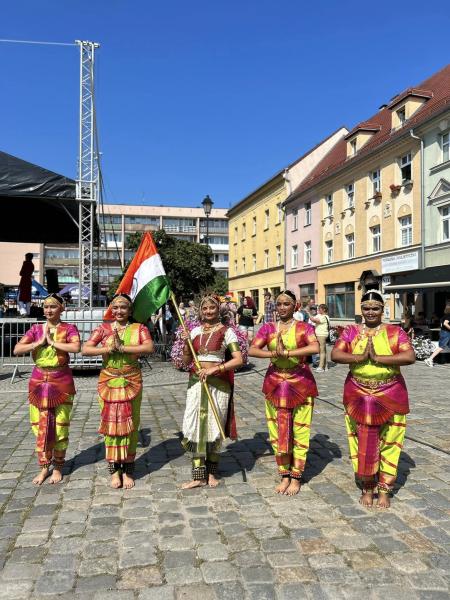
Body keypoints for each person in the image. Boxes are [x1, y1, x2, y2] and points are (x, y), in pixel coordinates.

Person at [331, 291, 415, 509]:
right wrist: (360, 357)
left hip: (390, 393)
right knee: (362, 443)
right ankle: (367, 487)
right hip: (357, 393)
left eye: (375, 308)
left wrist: (379, 358)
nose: (370, 312)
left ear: (382, 309)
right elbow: (336, 355)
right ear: (361, 309)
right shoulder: (351, 331)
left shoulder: (394, 332)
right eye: (366, 308)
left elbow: (409, 356)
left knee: (391, 442)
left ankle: (385, 490)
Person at [248, 290, 319, 496]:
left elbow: (315, 348)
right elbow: (253, 350)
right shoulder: (268, 328)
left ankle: (296, 476)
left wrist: (288, 353)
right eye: (279, 304)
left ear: (295, 306)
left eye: (286, 304)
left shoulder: (304, 327)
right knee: (278, 431)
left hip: (301, 383)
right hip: (275, 383)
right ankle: (284, 474)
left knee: (300, 430)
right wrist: (273, 354)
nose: (282, 308)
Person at [82, 293, 153, 489]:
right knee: (110, 427)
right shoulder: (103, 329)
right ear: (111, 309)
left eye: (123, 307)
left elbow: (148, 347)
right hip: (108, 381)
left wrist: (123, 348)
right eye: (116, 307)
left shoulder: (139, 328)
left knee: (131, 424)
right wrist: (107, 349)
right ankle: (114, 471)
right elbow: (86, 349)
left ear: (130, 310)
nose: (119, 311)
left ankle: (128, 469)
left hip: (131, 380)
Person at [13, 293, 80, 485]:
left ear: (62, 309)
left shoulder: (69, 328)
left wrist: (52, 343)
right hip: (38, 382)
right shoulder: (35, 329)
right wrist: (38, 343)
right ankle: (43, 468)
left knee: (60, 426)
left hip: (61, 382)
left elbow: (76, 347)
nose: (49, 310)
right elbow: (17, 349)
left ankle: (58, 467)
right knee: (40, 426)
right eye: (46, 307)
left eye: (53, 306)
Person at [179, 294, 243, 489]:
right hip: (197, 383)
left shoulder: (227, 332)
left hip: (218, 384)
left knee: (214, 426)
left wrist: (216, 369)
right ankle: (198, 475)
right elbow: (186, 362)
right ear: (200, 311)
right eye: (204, 309)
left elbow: (238, 359)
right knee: (196, 426)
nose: (208, 312)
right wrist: (186, 344)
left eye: (212, 308)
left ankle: (212, 473)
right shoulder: (195, 331)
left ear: (218, 310)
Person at [310, 304, 330, 372]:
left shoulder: (324, 317)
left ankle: (321, 367)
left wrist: (308, 314)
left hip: (321, 335)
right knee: (324, 350)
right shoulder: (323, 316)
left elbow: (314, 320)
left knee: (321, 351)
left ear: (324, 309)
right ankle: (325, 366)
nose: (318, 310)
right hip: (321, 334)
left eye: (319, 309)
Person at [18, 252, 35, 317]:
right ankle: (28, 312)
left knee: (20, 299)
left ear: (27, 257)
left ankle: (23, 311)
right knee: (28, 298)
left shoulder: (25, 263)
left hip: (24, 281)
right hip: (29, 282)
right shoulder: (32, 265)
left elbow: (21, 273)